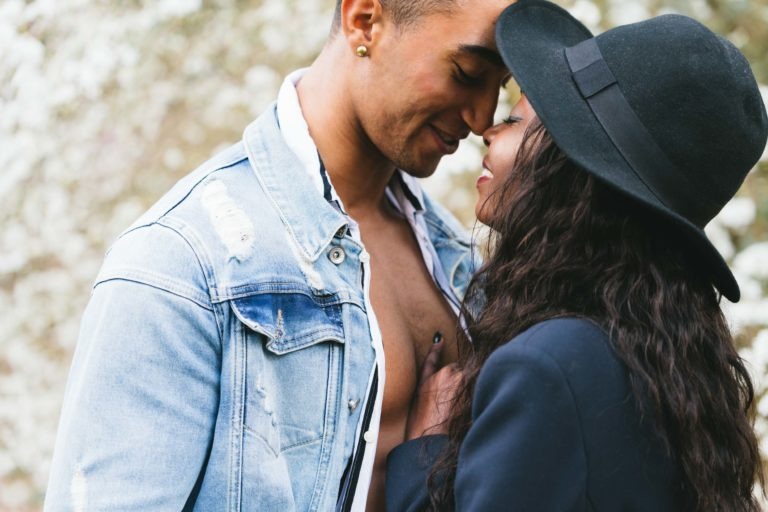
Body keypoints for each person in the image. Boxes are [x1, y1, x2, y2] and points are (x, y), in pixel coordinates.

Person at [44, 0, 512, 510]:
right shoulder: (185, 261)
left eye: (501, 87)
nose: (482, 116)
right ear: (364, 20)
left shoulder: (458, 263)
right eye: (466, 73)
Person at [386, 1, 768, 510]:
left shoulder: (547, 368)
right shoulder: (668, 361)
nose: (487, 130)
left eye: (515, 119)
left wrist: (424, 451)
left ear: (567, 165)